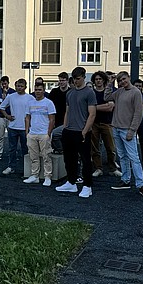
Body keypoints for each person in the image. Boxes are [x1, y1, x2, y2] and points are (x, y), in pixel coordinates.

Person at [105, 71, 143, 197]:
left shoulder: (136, 92)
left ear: (129, 78)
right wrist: (110, 83)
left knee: (134, 158)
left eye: (124, 79)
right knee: (122, 156)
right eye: (120, 80)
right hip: (116, 128)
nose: (122, 82)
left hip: (127, 129)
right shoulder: (119, 92)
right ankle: (125, 180)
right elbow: (107, 97)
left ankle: (141, 184)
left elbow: (138, 113)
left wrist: (132, 130)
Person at [55, 67, 96, 198]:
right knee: (69, 159)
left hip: (82, 132)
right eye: (74, 79)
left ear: (84, 77)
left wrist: (85, 131)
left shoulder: (89, 93)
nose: (76, 81)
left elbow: (92, 114)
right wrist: (65, 127)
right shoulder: (70, 93)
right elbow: (67, 111)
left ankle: (87, 186)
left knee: (85, 160)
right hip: (69, 131)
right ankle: (71, 182)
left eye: (78, 79)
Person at [0, 78, 34, 176]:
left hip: (25, 128)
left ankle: (27, 168)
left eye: (21, 86)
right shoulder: (11, 97)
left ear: (25, 87)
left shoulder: (30, 98)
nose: (19, 88)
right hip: (13, 127)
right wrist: (7, 116)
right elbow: (1, 107)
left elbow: (34, 110)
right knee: (11, 149)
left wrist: (31, 122)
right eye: (18, 86)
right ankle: (11, 166)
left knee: (25, 149)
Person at [90, 71, 122, 178]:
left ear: (104, 80)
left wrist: (95, 107)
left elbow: (110, 107)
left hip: (107, 123)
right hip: (94, 123)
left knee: (111, 148)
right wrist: (102, 107)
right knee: (95, 148)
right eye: (96, 79)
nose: (98, 81)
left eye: (100, 79)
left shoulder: (109, 93)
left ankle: (113, 168)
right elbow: (88, 108)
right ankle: (98, 168)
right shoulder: (91, 93)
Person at [23, 82, 56, 186]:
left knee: (46, 156)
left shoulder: (48, 103)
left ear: (43, 90)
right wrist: (27, 131)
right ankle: (34, 175)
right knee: (34, 156)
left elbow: (52, 119)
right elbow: (27, 117)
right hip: (32, 133)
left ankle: (47, 177)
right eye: (36, 90)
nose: (38, 92)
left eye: (40, 89)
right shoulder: (30, 103)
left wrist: (48, 133)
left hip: (44, 134)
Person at [48, 72, 70, 153]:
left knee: (65, 138)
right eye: (60, 80)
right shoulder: (54, 92)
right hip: (55, 119)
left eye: (63, 80)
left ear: (67, 81)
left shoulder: (71, 92)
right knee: (54, 136)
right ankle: (60, 151)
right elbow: (49, 105)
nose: (61, 82)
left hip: (67, 120)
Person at [0, 75, 15, 160]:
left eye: (5, 83)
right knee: (0, 135)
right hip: (1, 116)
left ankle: (12, 152)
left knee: (12, 135)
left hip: (10, 116)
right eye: (2, 83)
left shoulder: (12, 92)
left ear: (8, 83)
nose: (4, 85)